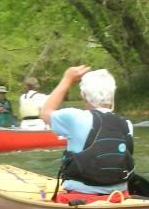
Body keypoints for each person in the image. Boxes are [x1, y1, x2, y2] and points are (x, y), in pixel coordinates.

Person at [41, 66, 134, 196]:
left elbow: (45, 113)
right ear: (112, 94)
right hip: (119, 196)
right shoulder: (127, 124)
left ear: (83, 95)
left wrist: (67, 79)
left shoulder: (74, 118)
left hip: (81, 196)